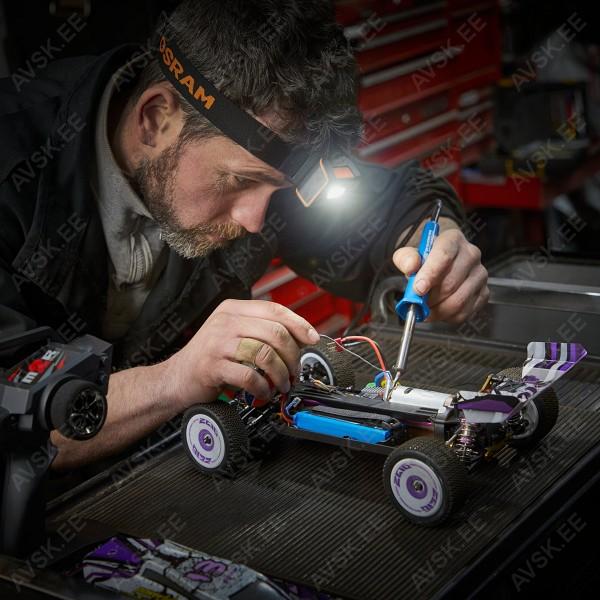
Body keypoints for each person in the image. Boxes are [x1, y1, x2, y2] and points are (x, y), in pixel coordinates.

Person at [0, 0, 488, 470]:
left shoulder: (262, 159)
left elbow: (401, 200)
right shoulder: (14, 172)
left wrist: (435, 242)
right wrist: (175, 378)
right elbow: (17, 419)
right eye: (236, 181)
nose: (255, 220)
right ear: (156, 119)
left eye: (278, 190)